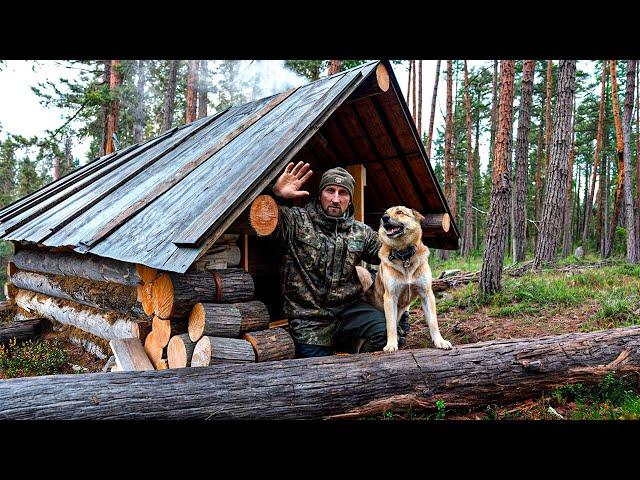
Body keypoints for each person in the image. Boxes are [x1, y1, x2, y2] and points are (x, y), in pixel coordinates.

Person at [270, 161, 409, 358]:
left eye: (342, 193)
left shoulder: (360, 232)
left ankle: (358, 362)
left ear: (350, 199)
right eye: (330, 191)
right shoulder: (296, 221)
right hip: (310, 320)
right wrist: (277, 195)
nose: (335, 199)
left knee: (387, 334)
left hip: (349, 310)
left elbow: (390, 254)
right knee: (319, 376)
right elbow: (264, 219)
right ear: (320, 194)